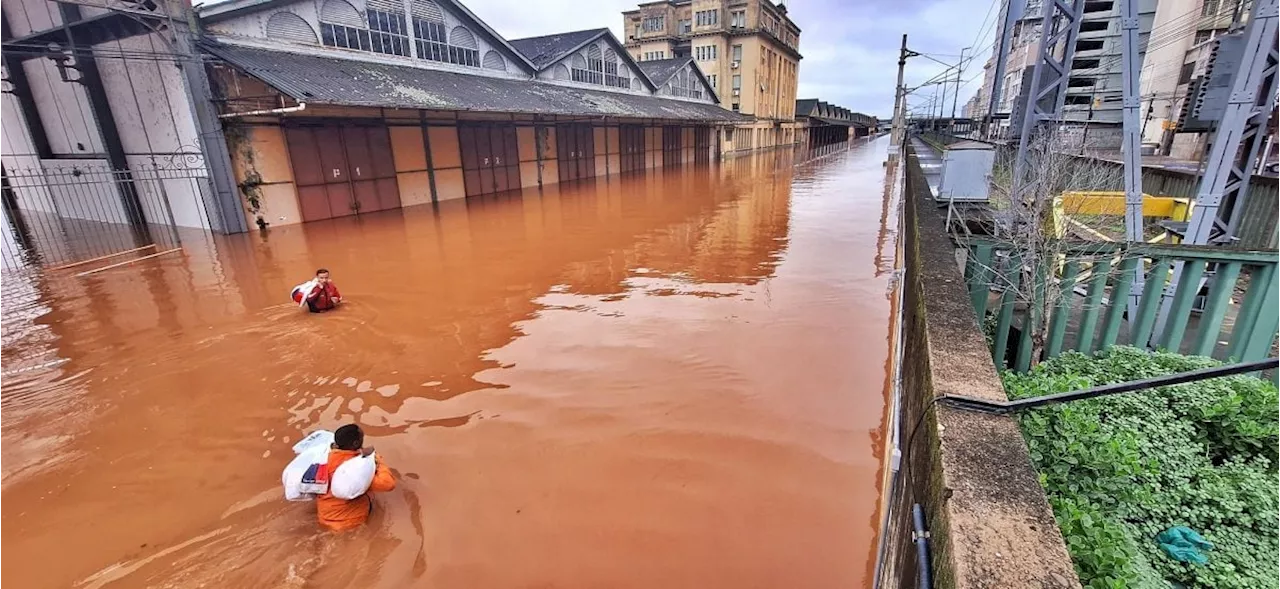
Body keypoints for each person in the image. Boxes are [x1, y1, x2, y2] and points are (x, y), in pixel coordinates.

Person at [316, 424, 396, 531]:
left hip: (324, 517)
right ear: (356, 443)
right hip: (350, 523)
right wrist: (377, 460)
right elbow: (388, 484)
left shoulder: (324, 458)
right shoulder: (357, 468)